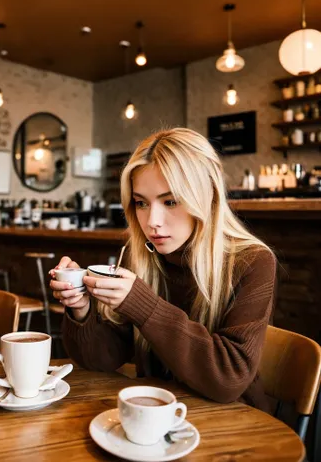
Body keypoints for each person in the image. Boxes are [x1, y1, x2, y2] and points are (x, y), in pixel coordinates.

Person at [49, 128, 276, 411]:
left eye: (170, 201)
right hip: (154, 414)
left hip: (234, 422)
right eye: (141, 203)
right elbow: (102, 360)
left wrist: (143, 306)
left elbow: (228, 378)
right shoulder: (142, 256)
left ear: (206, 196)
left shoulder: (252, 261)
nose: (152, 221)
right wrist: (81, 309)